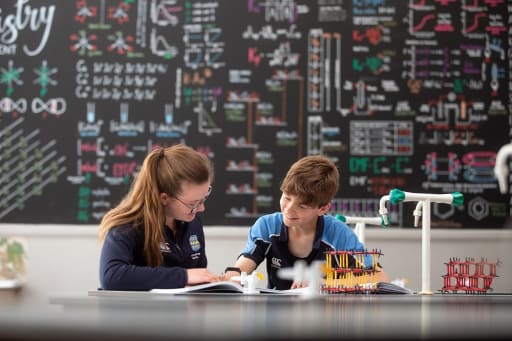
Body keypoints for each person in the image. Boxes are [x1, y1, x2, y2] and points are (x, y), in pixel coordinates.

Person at [223, 155, 389, 290]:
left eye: (301, 206)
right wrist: (232, 277)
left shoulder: (338, 234)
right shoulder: (267, 226)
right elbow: (243, 266)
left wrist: (323, 285)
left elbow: (380, 278)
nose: (288, 209)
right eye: (286, 197)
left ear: (323, 209)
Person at [98, 144, 219, 291]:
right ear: (164, 198)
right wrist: (183, 276)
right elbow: (111, 276)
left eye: (204, 199)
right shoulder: (127, 226)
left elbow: (196, 278)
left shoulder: (192, 221)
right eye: (193, 203)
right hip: (138, 311)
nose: (201, 208)